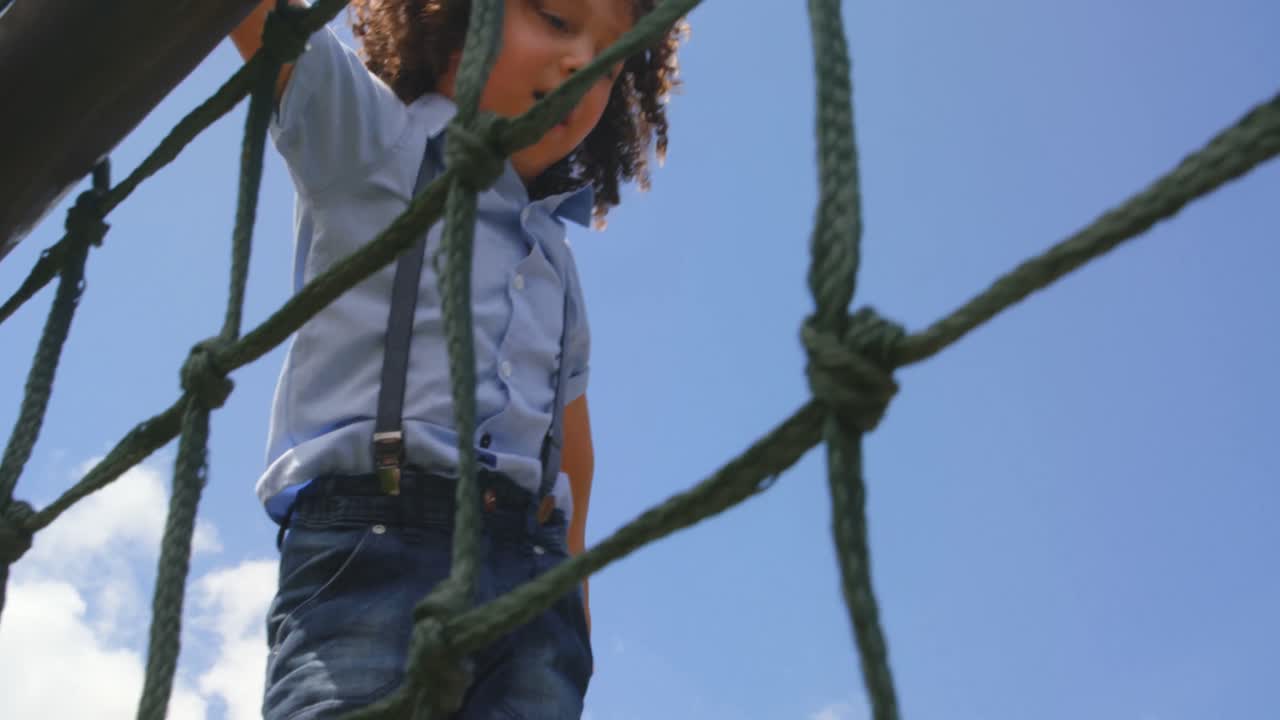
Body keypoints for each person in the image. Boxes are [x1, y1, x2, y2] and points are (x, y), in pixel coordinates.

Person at [228, 0, 683, 717]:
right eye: (558, 19)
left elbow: (573, 454)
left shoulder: (552, 257)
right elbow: (263, 21)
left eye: (612, 57)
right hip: (373, 543)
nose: (581, 64)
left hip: (532, 579)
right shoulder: (374, 138)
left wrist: (575, 607)